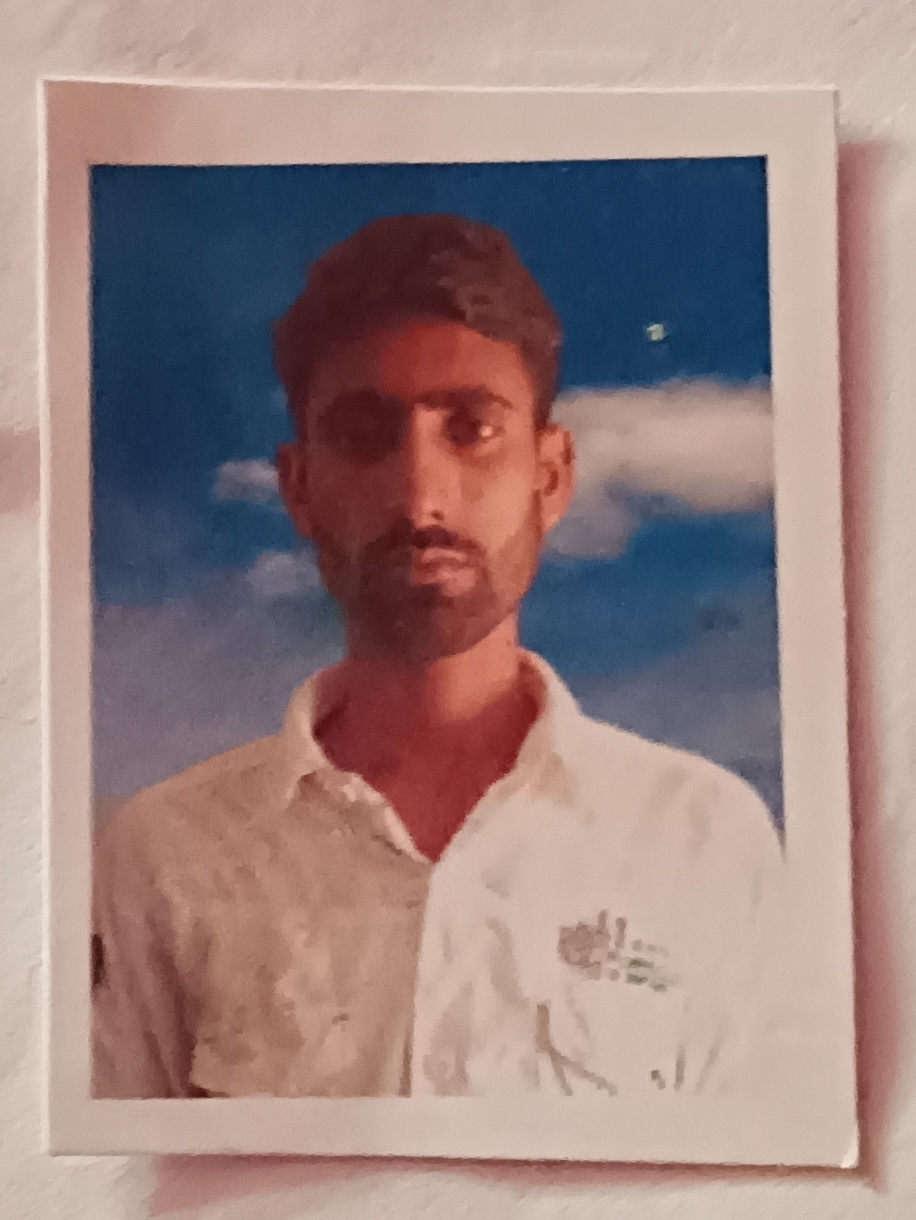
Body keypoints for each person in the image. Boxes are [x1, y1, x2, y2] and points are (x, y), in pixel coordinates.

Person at [92, 213, 793, 1101]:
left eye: (471, 428)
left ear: (550, 477)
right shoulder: (165, 855)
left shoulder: (703, 840)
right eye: (363, 434)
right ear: (299, 488)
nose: (420, 494)